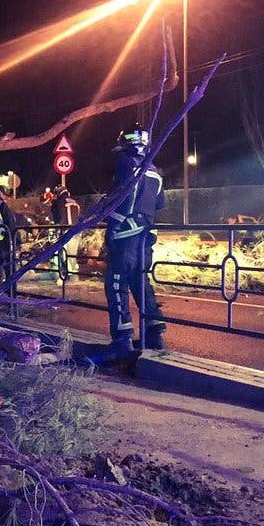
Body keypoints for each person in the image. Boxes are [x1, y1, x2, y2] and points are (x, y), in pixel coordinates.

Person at [103, 123, 166, 358]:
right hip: (146, 235)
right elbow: (160, 204)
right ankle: (154, 333)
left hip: (125, 235)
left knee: (116, 282)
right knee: (141, 281)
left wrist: (114, 222)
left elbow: (124, 194)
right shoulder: (153, 169)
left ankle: (122, 340)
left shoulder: (124, 163)